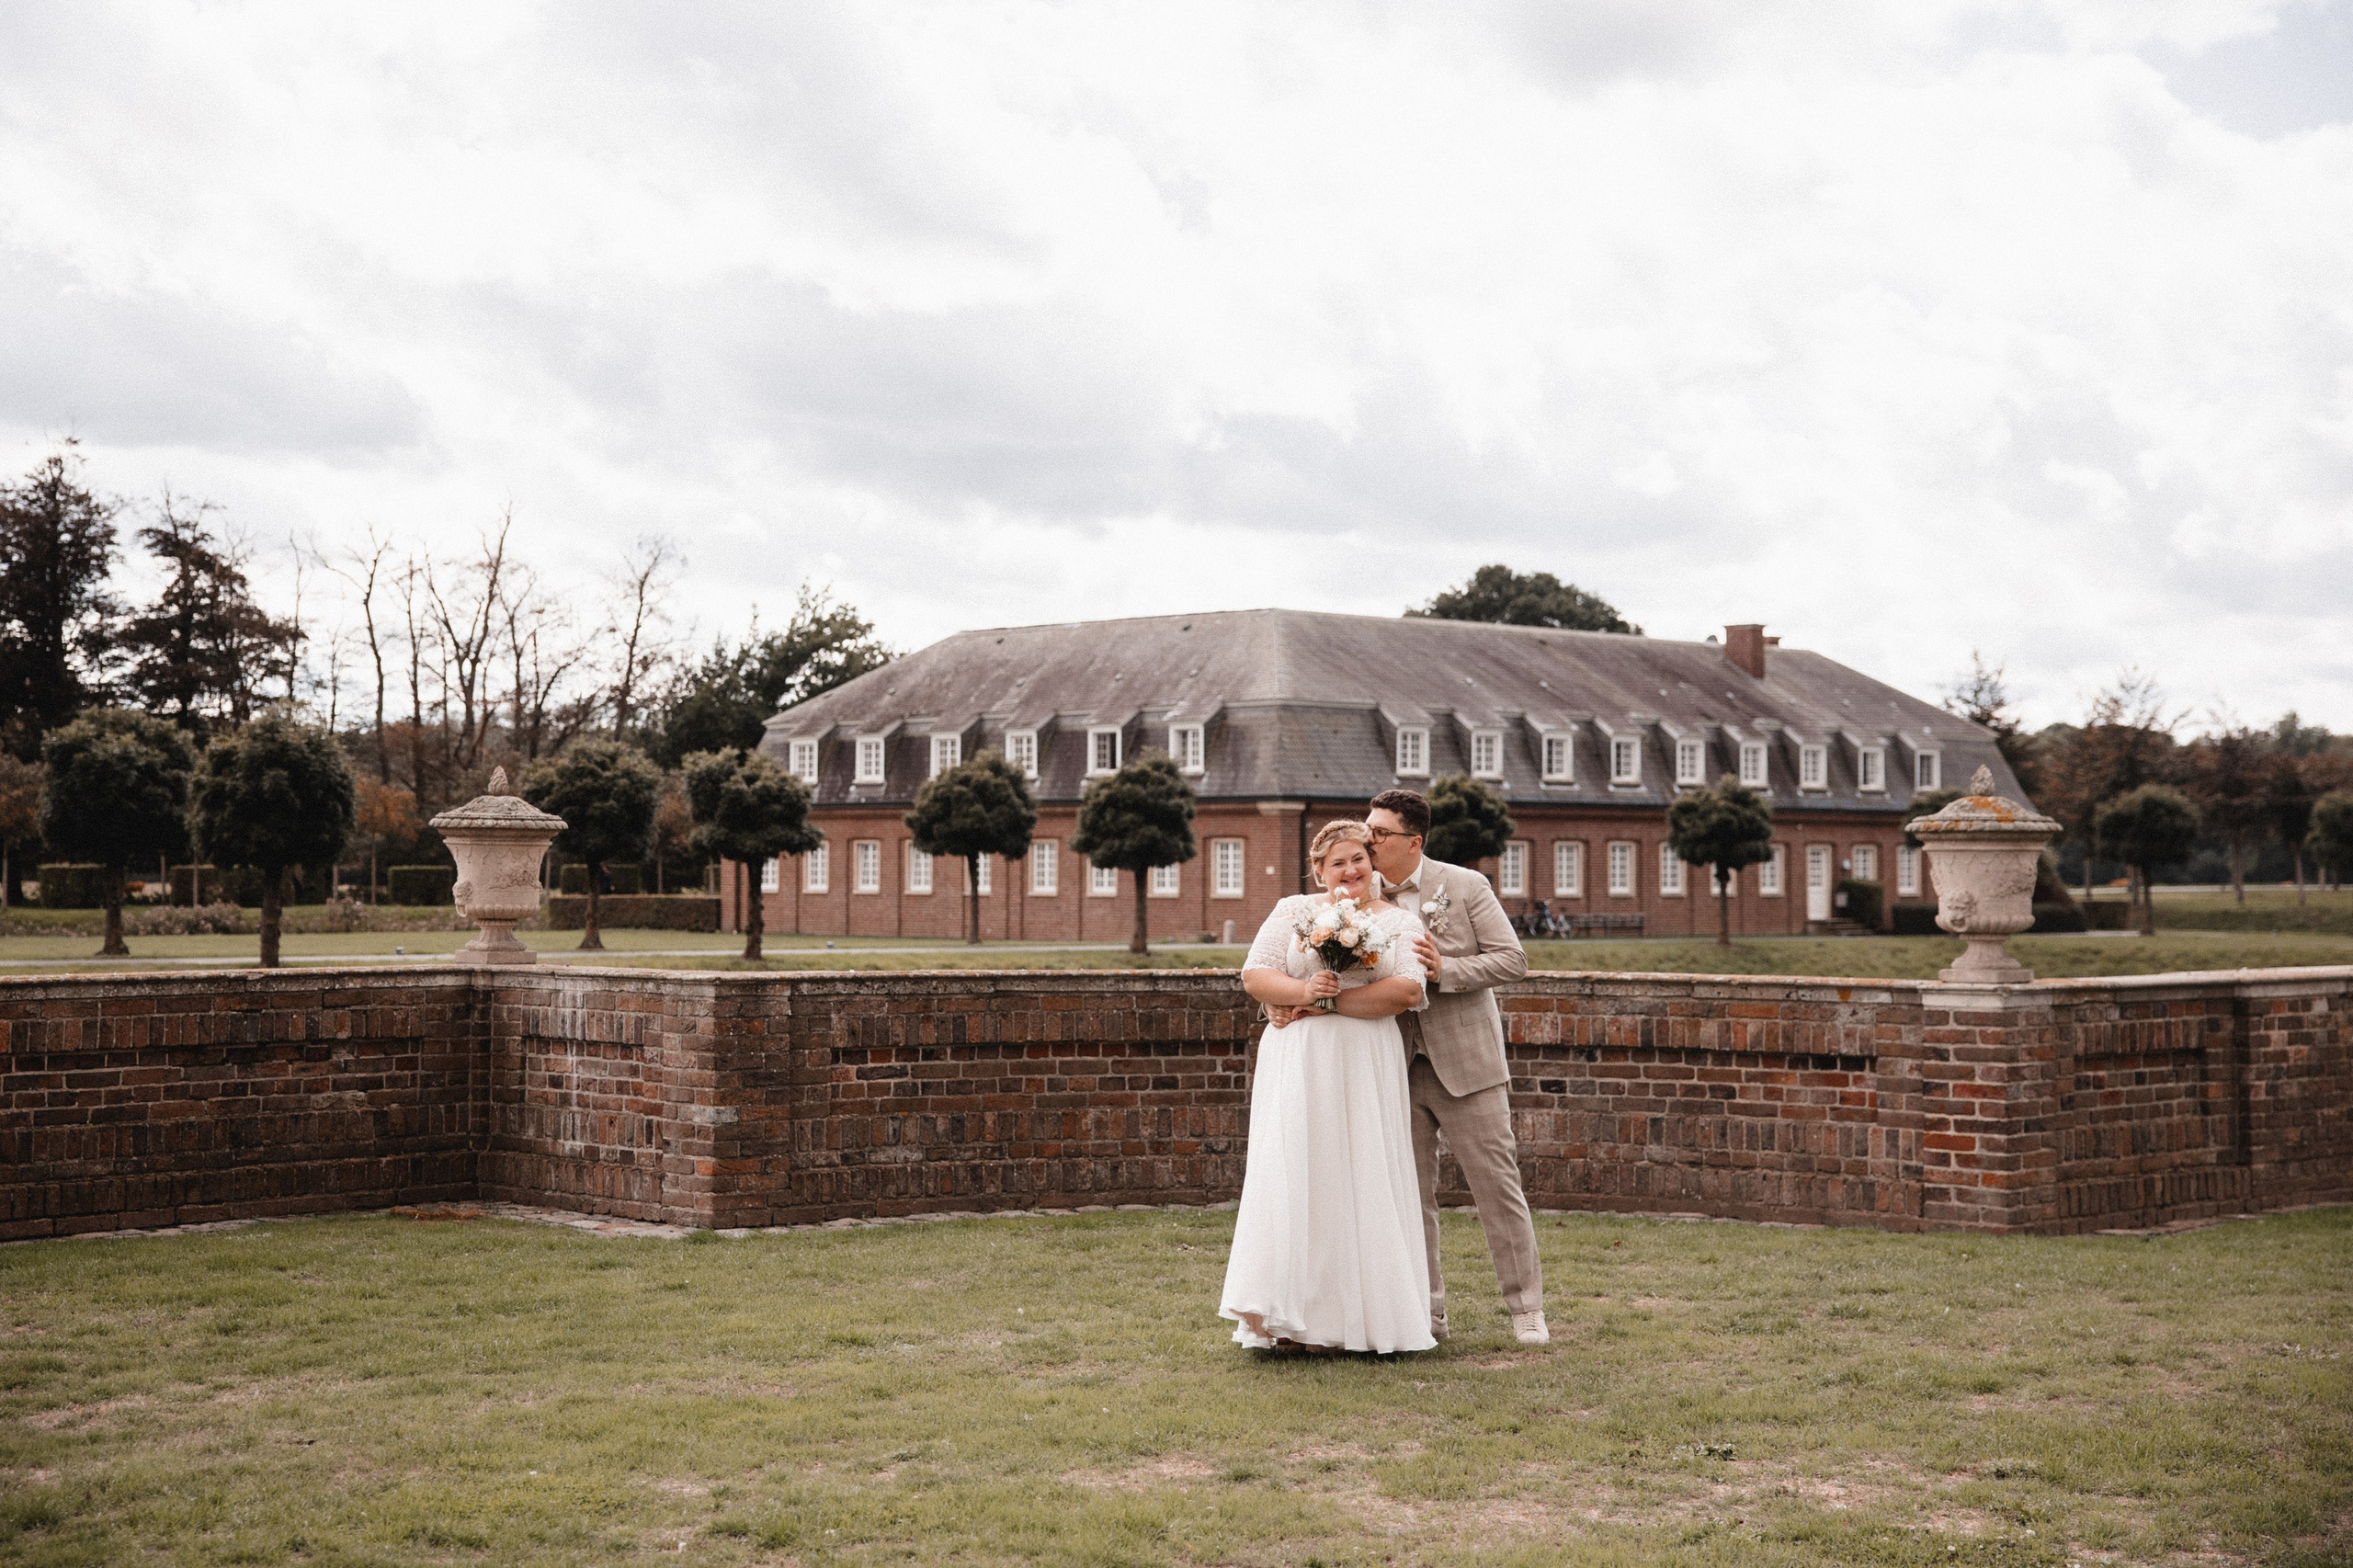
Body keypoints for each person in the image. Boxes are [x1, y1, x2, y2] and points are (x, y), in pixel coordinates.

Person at [1313, 788, 1549, 1346]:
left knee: (1497, 1187)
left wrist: (1448, 969)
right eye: (1367, 831)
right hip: (1392, 1062)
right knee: (1408, 1194)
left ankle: (1526, 1308)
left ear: (1412, 841)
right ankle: (1427, 1312)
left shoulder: (1466, 886)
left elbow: (1513, 959)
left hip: (1467, 1063)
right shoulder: (1352, 899)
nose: (1367, 842)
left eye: (1379, 834)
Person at [1219, 820, 1435, 1355]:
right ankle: (1291, 1322)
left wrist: (1325, 1003)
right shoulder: (1294, 911)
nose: (1350, 870)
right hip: (1298, 1062)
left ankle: (1357, 1325)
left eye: (1359, 859)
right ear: (1319, 870)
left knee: (1360, 1174)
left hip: (1364, 1061)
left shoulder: (1401, 923)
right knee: (1299, 1173)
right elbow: (1255, 975)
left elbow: (1406, 989)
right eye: (1337, 862)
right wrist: (1297, 988)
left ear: (1373, 863)